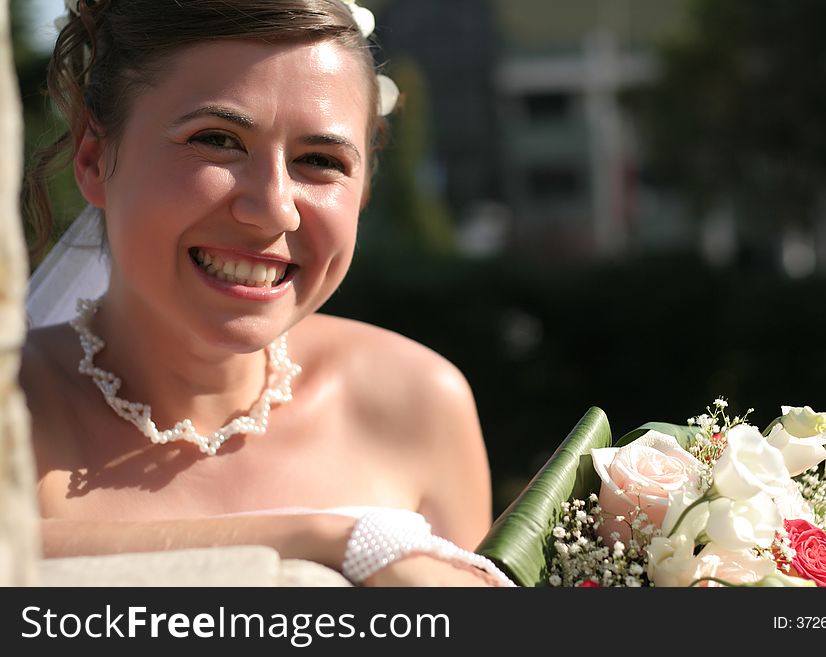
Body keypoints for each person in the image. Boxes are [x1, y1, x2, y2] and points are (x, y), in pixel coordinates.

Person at [19, 0, 513, 587]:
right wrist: (337, 539)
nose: (274, 209)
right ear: (95, 159)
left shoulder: (418, 402)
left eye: (320, 160)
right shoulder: (14, 410)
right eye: (218, 141)